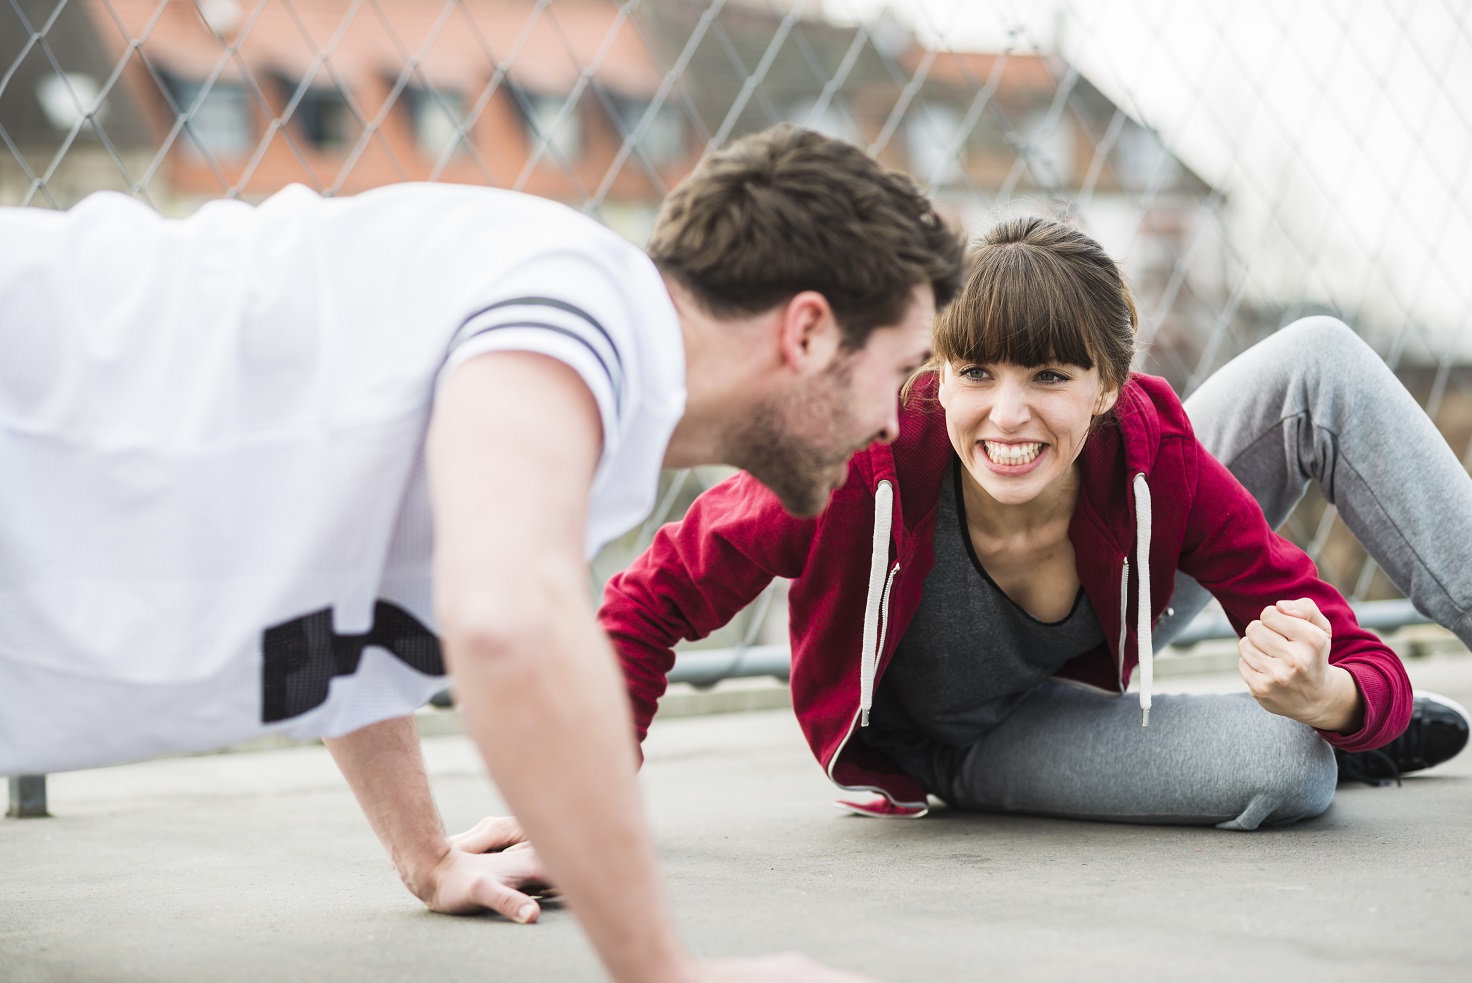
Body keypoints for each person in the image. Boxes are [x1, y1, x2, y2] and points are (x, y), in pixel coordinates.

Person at [0, 125, 965, 982]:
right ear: (807, 331)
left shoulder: (572, 358)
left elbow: (350, 594)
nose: (895, 415)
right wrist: (665, 969)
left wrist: (426, 854)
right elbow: (504, 622)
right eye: (900, 367)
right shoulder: (577, 313)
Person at [601, 216, 1470, 830]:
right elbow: (648, 599)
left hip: (1116, 614)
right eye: (975, 371)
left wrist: (1334, 694)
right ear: (936, 372)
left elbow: (1357, 653)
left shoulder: (1153, 453)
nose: (1007, 415)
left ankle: (1336, 730)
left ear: (1107, 389)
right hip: (978, 736)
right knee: (1287, 769)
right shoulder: (855, 460)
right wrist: (579, 812)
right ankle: (1326, 743)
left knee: (1316, 351)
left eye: (1050, 375)